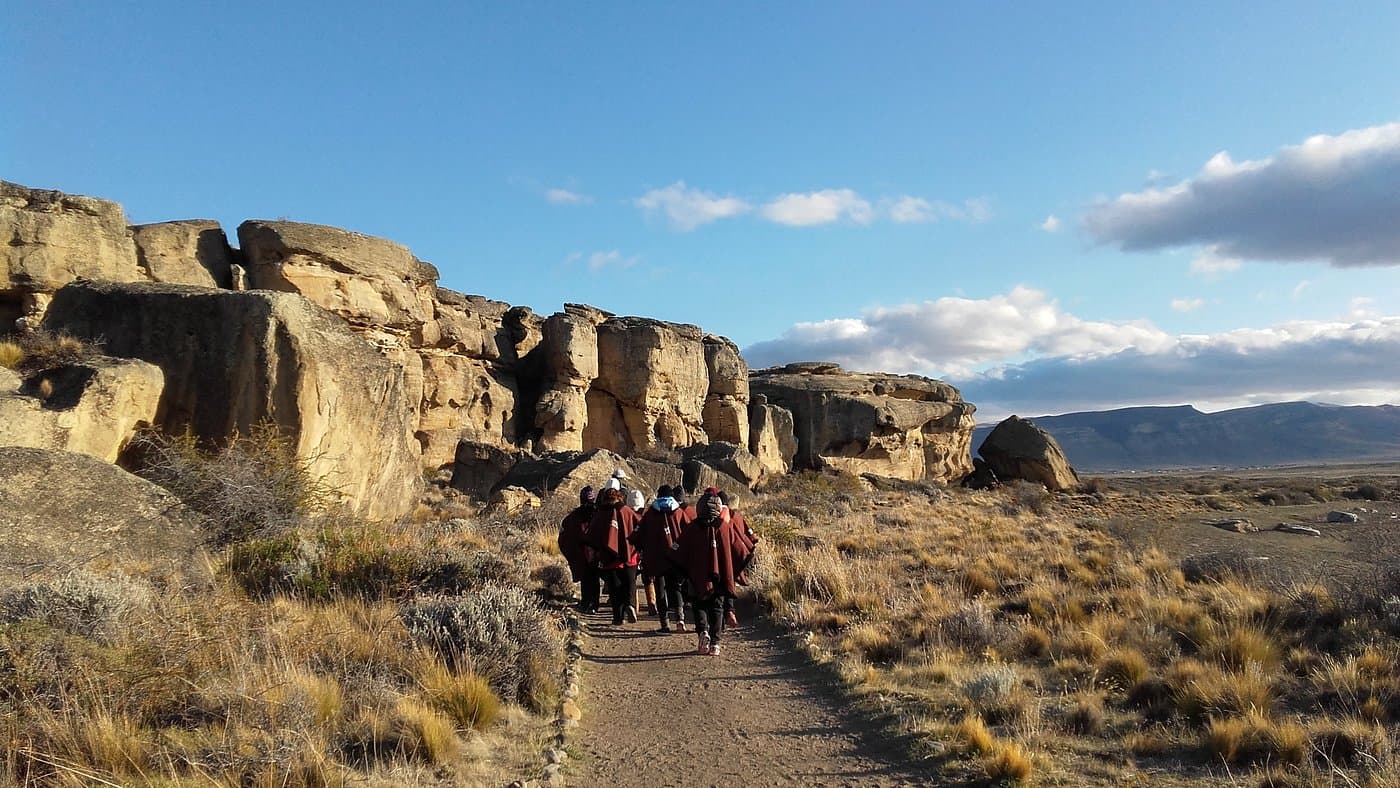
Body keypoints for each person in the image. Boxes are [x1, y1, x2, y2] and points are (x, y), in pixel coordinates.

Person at [679, 488, 752, 656]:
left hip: (697, 576)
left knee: (699, 604)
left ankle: (703, 632)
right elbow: (740, 550)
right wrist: (732, 569)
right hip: (720, 575)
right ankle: (715, 643)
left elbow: (680, 551)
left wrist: (684, 570)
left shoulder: (692, 527)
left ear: (700, 507)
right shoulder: (724, 527)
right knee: (717, 607)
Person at [634, 484, 691, 633]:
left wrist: (641, 550)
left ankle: (664, 624)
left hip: (656, 557)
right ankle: (680, 619)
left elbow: (639, 535)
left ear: (659, 495)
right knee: (675, 587)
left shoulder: (651, 513)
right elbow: (689, 532)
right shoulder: (679, 512)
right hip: (675, 556)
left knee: (660, 590)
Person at [586, 486, 643, 625]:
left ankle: (618, 617)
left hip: (609, 557)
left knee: (614, 587)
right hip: (629, 555)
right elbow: (639, 527)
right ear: (619, 497)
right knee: (629, 583)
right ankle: (630, 604)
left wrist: (596, 551)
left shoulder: (601, 513)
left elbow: (592, 534)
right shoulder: (626, 510)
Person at [717, 490, 760, 627]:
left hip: (717, 555)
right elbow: (749, 535)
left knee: (718, 586)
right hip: (734, 555)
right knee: (730, 583)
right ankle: (730, 610)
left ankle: (719, 618)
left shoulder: (713, 517)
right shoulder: (736, 516)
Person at [557, 486, 600, 614]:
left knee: (585, 578)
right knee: (594, 578)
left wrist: (571, 551)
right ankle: (594, 604)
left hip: (581, 552)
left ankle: (586, 602)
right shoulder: (599, 513)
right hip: (595, 551)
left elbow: (565, 534)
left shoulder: (574, 516)